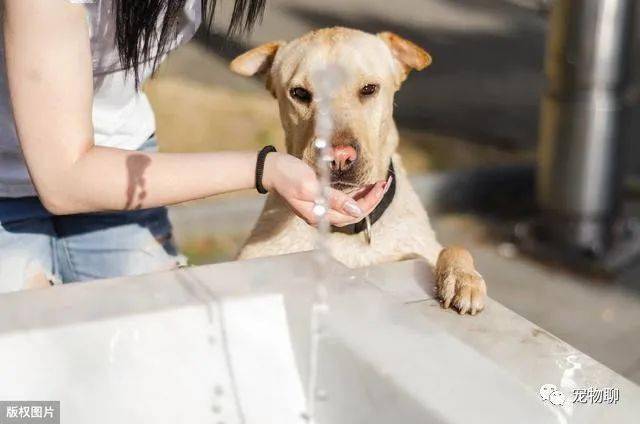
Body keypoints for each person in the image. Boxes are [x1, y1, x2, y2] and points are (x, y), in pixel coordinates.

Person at [0, 0, 386, 292]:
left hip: (121, 162)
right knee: (25, 372)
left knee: (156, 355)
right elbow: (65, 180)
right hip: (18, 184)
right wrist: (267, 169)